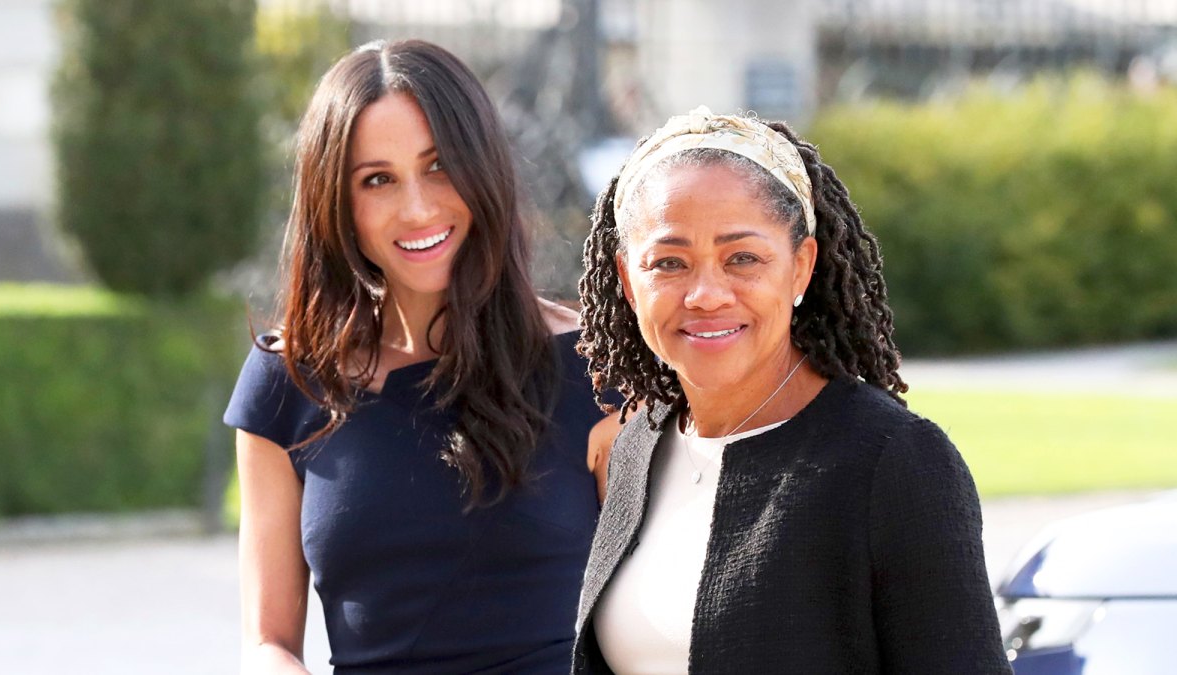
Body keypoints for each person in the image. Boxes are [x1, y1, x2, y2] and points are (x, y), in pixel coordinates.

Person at [571, 107, 1012, 674]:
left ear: (801, 267)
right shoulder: (638, 447)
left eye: (743, 258)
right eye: (670, 262)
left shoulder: (892, 461)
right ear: (629, 281)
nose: (706, 294)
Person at [224, 39, 616, 674]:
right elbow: (267, 640)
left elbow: (657, 618)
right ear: (338, 204)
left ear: (483, 166)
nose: (417, 208)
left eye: (439, 166)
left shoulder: (596, 367)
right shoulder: (287, 383)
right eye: (377, 180)